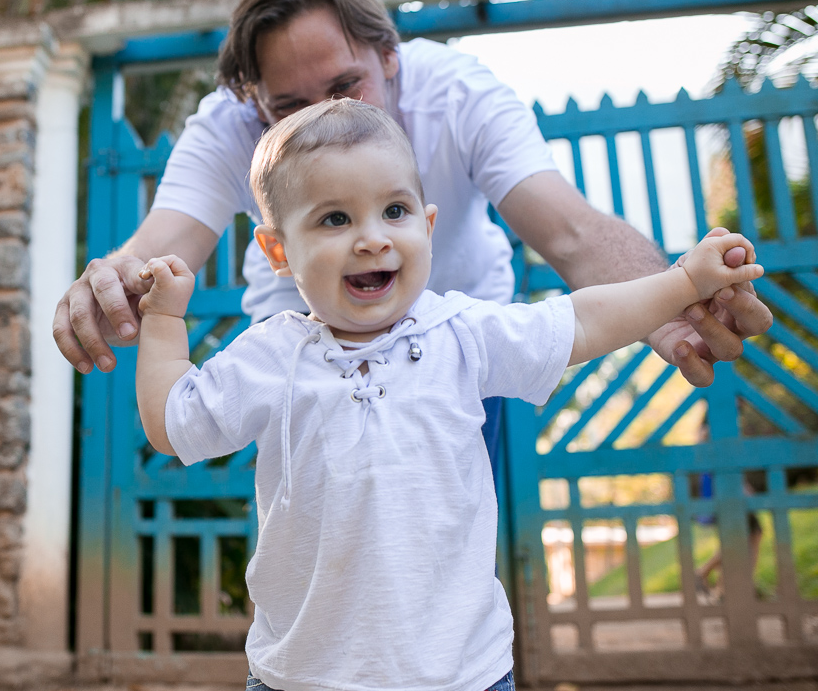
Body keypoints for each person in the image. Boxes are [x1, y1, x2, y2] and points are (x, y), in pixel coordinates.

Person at [53, 0, 773, 480]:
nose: (323, 122)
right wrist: (111, 279)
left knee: (446, 532)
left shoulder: (458, 95)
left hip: (460, 331)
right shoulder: (226, 128)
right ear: (253, 103)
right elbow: (158, 249)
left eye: (346, 87)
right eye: (289, 108)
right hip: (299, 334)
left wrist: (671, 299)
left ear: (389, 58)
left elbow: (570, 230)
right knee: (311, 527)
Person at [134, 99, 765, 691]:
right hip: (303, 675)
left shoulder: (464, 334)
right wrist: (162, 323)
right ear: (277, 250)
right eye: (334, 218)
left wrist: (682, 281)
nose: (373, 238)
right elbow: (173, 424)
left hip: (463, 673)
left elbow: (584, 321)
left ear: (428, 225)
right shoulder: (269, 357)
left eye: (395, 211)